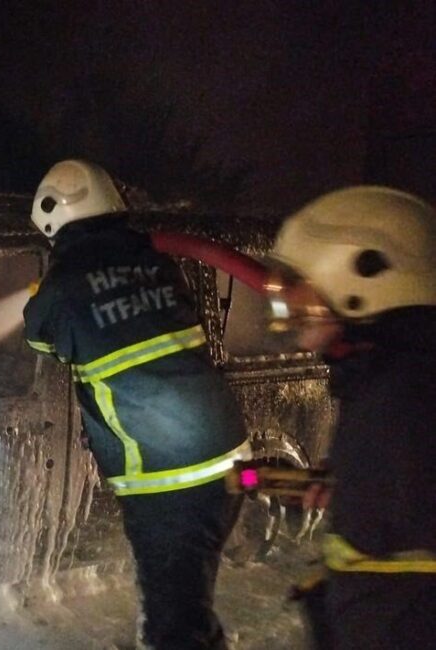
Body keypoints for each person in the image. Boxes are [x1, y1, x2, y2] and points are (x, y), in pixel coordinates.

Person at [23, 160, 250, 649]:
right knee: (189, 598)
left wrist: (41, 291)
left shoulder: (61, 288)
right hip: (232, 464)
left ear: (53, 223)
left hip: (167, 481)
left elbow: (40, 339)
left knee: (174, 623)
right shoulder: (157, 261)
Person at [265, 186, 436, 650]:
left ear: (361, 279)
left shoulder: (403, 397)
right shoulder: (388, 378)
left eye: (297, 292)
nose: (286, 308)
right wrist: (348, 479)